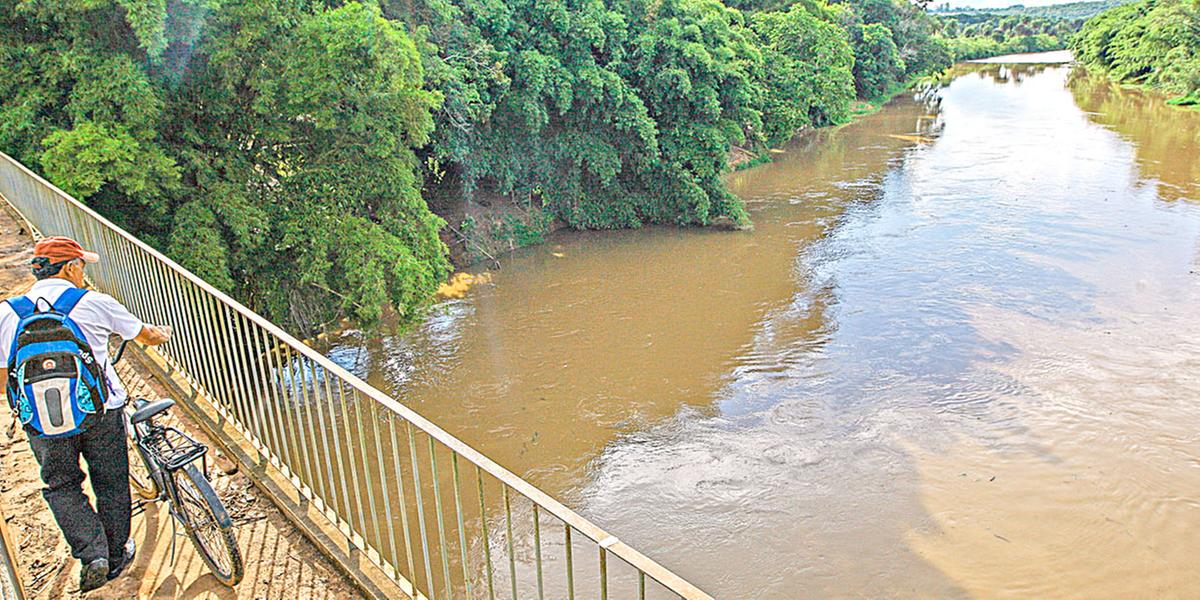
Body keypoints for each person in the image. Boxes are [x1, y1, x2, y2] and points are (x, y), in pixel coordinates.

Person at [0, 236, 171, 592]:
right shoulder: (94, 302)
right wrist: (161, 334)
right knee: (110, 480)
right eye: (82, 267)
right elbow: (145, 336)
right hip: (101, 410)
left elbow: (4, 380)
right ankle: (115, 554)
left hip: (43, 421)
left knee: (61, 484)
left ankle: (91, 553)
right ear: (71, 267)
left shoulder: (7, 312)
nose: (84, 274)